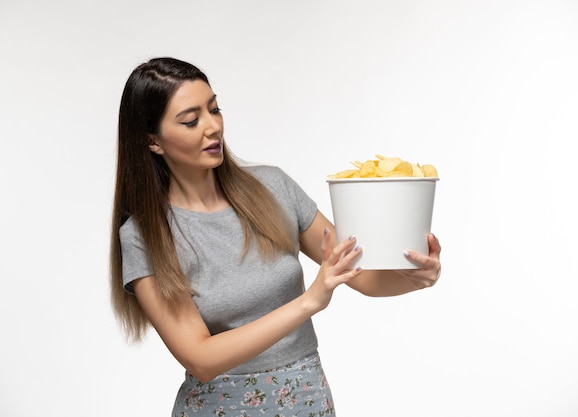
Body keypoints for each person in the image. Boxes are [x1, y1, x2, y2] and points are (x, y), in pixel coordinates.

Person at [110, 57, 442, 416]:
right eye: (191, 121)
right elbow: (200, 358)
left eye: (214, 109)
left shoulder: (273, 187)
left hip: (307, 398)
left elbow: (360, 276)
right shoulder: (146, 236)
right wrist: (308, 301)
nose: (213, 127)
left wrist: (415, 277)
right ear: (153, 142)